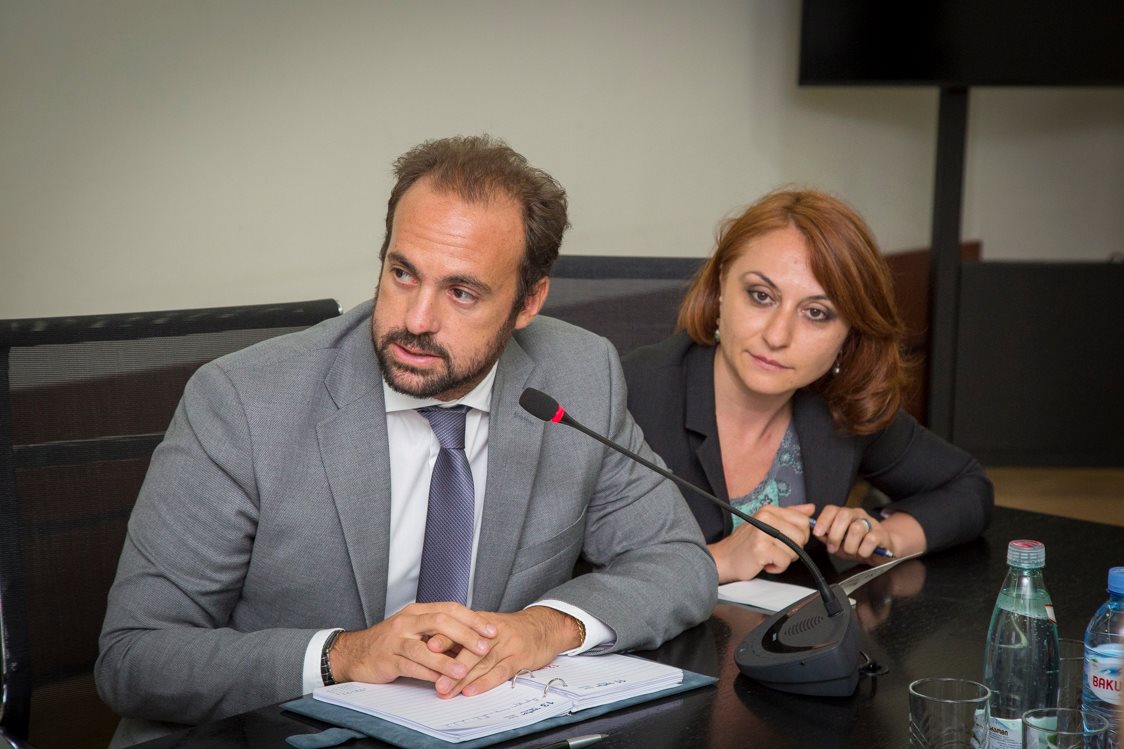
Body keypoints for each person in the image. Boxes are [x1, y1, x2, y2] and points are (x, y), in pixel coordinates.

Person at [96, 135, 717, 745]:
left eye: (462, 292)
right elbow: (136, 657)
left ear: (529, 302)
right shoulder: (242, 402)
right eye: (402, 274)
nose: (416, 320)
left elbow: (676, 560)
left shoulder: (578, 375)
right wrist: (346, 654)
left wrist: (544, 628)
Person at [622, 189, 993, 584]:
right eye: (761, 296)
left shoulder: (842, 402)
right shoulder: (627, 393)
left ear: (849, 334)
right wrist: (718, 560)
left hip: (788, 623)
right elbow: (578, 564)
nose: (777, 336)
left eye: (816, 313)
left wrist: (885, 536)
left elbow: (967, 488)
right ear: (720, 287)